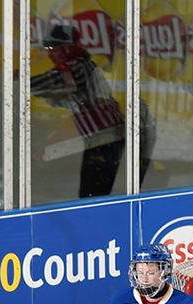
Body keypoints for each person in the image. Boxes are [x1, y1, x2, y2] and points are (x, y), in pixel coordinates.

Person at [29, 24, 126, 198]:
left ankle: (96, 221)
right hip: (102, 138)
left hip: (105, 138)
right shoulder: (81, 66)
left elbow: (44, 81)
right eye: (48, 48)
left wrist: (14, 78)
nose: (50, 53)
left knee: (93, 191)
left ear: (68, 49)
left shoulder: (75, 67)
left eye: (54, 48)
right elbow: (72, 100)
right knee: (94, 189)